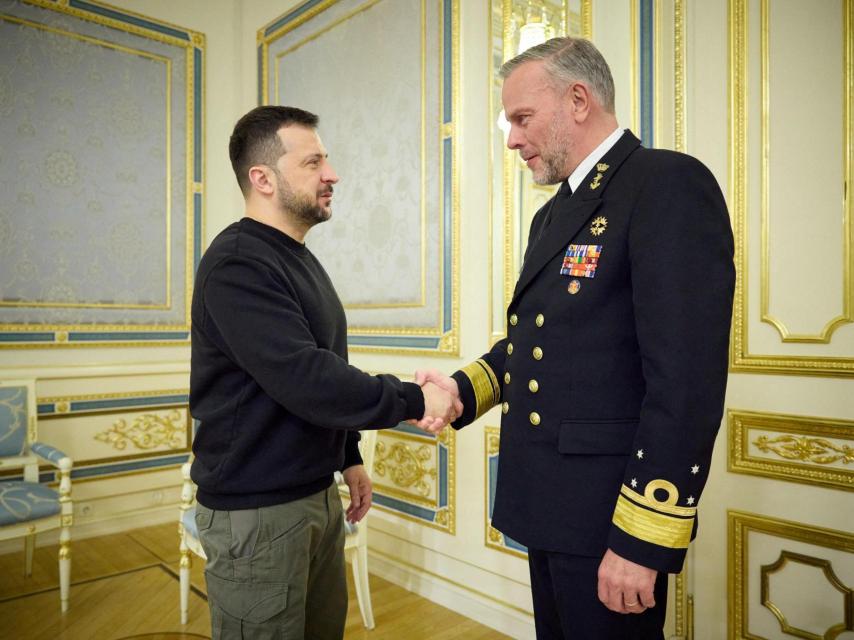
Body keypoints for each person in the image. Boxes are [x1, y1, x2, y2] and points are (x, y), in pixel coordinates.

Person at [416, 37, 734, 639]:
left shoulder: (665, 184)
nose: (512, 138)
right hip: (551, 506)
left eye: (522, 118)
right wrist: (459, 390)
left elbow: (685, 383)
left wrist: (642, 540)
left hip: (611, 518)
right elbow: (540, 343)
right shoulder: (554, 213)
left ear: (579, 99)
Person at [190, 105, 459, 639]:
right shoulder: (238, 262)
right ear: (261, 178)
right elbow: (305, 376)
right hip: (258, 512)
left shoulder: (298, 257)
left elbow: (325, 367)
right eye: (313, 162)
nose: (331, 174)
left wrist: (348, 456)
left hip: (313, 495)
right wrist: (414, 400)